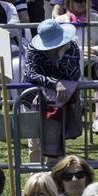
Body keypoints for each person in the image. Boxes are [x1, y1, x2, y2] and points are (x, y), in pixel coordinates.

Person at [24, 19, 82, 162]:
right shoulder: (33, 48)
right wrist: (54, 83)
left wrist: (62, 55)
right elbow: (31, 74)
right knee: (36, 141)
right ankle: (35, 176)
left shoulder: (72, 47)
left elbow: (74, 74)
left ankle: (53, 175)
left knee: (56, 139)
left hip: (59, 101)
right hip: (33, 99)